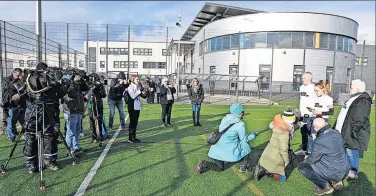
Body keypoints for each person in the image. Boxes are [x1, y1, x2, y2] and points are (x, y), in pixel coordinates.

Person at [23, 62, 67, 173]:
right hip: (41, 110)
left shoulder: (35, 78)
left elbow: (60, 93)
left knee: (40, 136)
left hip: (40, 110)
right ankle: (41, 162)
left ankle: (39, 163)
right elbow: (60, 92)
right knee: (40, 136)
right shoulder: (38, 78)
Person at [196, 104, 256, 174]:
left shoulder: (224, 119)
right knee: (246, 146)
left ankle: (204, 164)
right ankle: (243, 166)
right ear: (241, 113)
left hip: (216, 150)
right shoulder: (240, 124)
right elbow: (244, 140)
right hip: (229, 151)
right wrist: (253, 135)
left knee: (220, 168)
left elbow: (227, 135)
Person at [298, 118, 349, 195]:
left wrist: (306, 159)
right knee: (327, 158)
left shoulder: (320, 141)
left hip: (335, 172)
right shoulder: (336, 132)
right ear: (325, 123)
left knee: (303, 167)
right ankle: (337, 181)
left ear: (315, 129)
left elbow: (313, 160)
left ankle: (325, 187)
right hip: (345, 169)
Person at [333, 79, 372, 180]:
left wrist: (354, 131)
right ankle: (345, 168)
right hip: (344, 129)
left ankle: (353, 170)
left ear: (357, 89)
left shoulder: (363, 100)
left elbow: (360, 117)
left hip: (351, 131)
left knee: (351, 150)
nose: (350, 89)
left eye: (351, 87)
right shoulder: (354, 98)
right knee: (345, 150)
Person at [254, 110, 297, 182]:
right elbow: (283, 150)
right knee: (283, 178)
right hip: (276, 157)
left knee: (269, 163)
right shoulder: (285, 133)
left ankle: (263, 169)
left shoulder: (277, 125)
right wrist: (286, 161)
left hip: (268, 153)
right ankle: (268, 173)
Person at [63, 69, 90, 156]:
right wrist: (74, 81)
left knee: (77, 130)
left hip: (78, 109)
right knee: (71, 131)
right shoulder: (69, 83)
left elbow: (87, 89)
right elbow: (68, 93)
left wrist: (82, 81)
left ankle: (76, 147)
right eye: (80, 77)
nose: (81, 79)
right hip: (70, 110)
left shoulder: (80, 84)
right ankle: (69, 149)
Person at [306, 80, 334, 155]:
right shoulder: (316, 98)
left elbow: (331, 111)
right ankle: (310, 153)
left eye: (317, 91)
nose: (315, 92)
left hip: (322, 120)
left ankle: (319, 154)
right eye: (314, 91)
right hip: (314, 119)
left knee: (320, 138)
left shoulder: (328, 99)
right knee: (312, 137)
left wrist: (320, 113)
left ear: (323, 89)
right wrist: (311, 110)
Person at [2, 68, 27, 142]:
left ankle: (26, 135)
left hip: (22, 103)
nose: (18, 76)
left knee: (25, 121)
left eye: (20, 75)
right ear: (14, 73)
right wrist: (16, 80)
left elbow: (25, 90)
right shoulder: (6, 79)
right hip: (12, 104)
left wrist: (22, 80)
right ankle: (11, 137)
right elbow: (8, 88)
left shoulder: (22, 80)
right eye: (17, 75)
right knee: (12, 122)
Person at [296, 72, 318, 156]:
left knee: (311, 134)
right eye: (302, 78)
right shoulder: (301, 87)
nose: (302, 79)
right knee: (303, 132)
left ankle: (311, 152)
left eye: (304, 78)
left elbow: (317, 100)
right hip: (302, 114)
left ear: (310, 79)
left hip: (310, 115)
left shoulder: (313, 88)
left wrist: (314, 111)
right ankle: (304, 149)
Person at [126, 75, 148, 143]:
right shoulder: (130, 87)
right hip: (132, 107)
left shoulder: (138, 86)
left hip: (137, 107)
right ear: (133, 80)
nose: (138, 81)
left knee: (135, 122)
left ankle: (134, 137)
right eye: (137, 79)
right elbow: (133, 96)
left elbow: (143, 96)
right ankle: (130, 138)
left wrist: (147, 91)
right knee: (132, 122)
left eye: (138, 79)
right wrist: (139, 91)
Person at [86, 73, 107, 145]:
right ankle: (94, 137)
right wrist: (94, 87)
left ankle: (100, 135)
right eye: (97, 79)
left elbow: (104, 95)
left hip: (99, 104)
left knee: (100, 120)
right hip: (91, 104)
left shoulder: (101, 85)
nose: (98, 81)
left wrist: (101, 88)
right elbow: (87, 96)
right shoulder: (88, 85)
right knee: (92, 120)